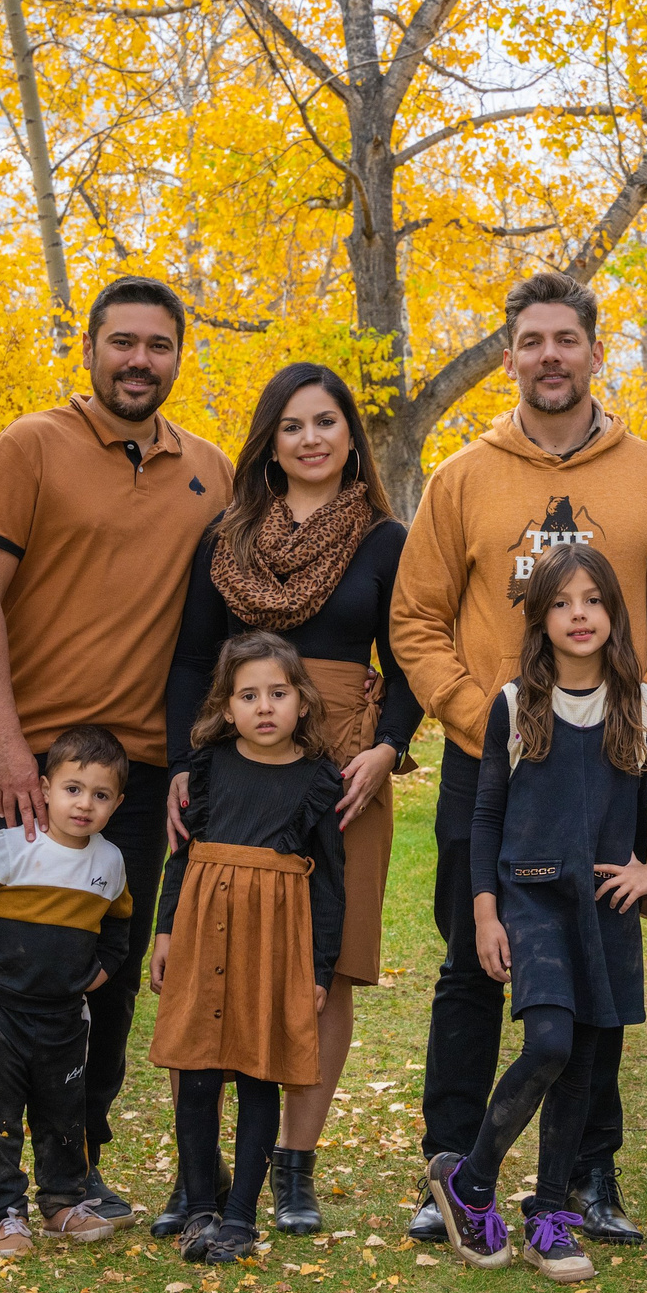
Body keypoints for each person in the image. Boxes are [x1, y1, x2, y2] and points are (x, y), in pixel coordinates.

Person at [0, 277, 235, 1257]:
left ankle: (71, 1169)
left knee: (101, 979)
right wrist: (7, 744)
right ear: (89, 349)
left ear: (178, 358)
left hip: (137, 775)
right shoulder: (30, 445)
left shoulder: (210, 471)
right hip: (29, 765)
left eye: (158, 345)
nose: (139, 360)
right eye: (122, 341)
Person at [391, 271, 647, 1246]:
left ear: (596, 351)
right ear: (509, 356)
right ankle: (450, 1166)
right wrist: (483, 720)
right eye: (531, 341)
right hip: (494, 760)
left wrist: (641, 723)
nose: (550, 355)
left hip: (607, 762)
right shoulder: (463, 477)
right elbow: (416, 618)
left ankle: (587, 1176)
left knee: (599, 968)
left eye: (567, 338)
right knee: (472, 965)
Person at [159, 363, 419, 1236]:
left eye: (326, 422)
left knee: (326, 961)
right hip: (236, 760)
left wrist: (388, 748)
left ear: (352, 437)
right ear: (270, 441)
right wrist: (182, 763)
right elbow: (192, 660)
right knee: (209, 946)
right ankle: (200, 1172)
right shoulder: (227, 537)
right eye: (293, 424)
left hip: (344, 764)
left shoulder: (385, 540)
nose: (311, 438)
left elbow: (411, 659)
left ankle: (294, 1165)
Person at [423, 545, 647, 1286]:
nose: (578, 615)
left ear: (614, 611)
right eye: (561, 603)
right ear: (539, 618)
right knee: (549, 1042)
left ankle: (550, 1215)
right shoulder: (513, 705)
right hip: (531, 902)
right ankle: (471, 1181)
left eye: (592, 600)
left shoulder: (637, 705)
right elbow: (486, 816)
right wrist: (485, 913)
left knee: (585, 1064)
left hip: (605, 908)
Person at [146, 634, 347, 1262]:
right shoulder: (206, 768)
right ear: (227, 708)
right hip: (201, 931)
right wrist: (164, 930)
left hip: (272, 946)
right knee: (197, 1074)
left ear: (302, 703)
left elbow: (330, 885)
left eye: (278, 694)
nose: (264, 707)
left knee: (261, 1075)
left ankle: (239, 1217)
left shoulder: (319, 780)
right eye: (249, 695)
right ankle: (199, 1208)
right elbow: (181, 856)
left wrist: (319, 969)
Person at [0, 725, 136, 1260]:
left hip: (65, 1017)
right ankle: (6, 1214)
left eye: (100, 795)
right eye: (73, 788)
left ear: (117, 803)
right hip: (1, 1012)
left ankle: (63, 1204)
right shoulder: (12, 847)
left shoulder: (110, 862)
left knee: (64, 1112)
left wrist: (104, 968)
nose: (84, 804)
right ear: (45, 789)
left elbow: (120, 923)